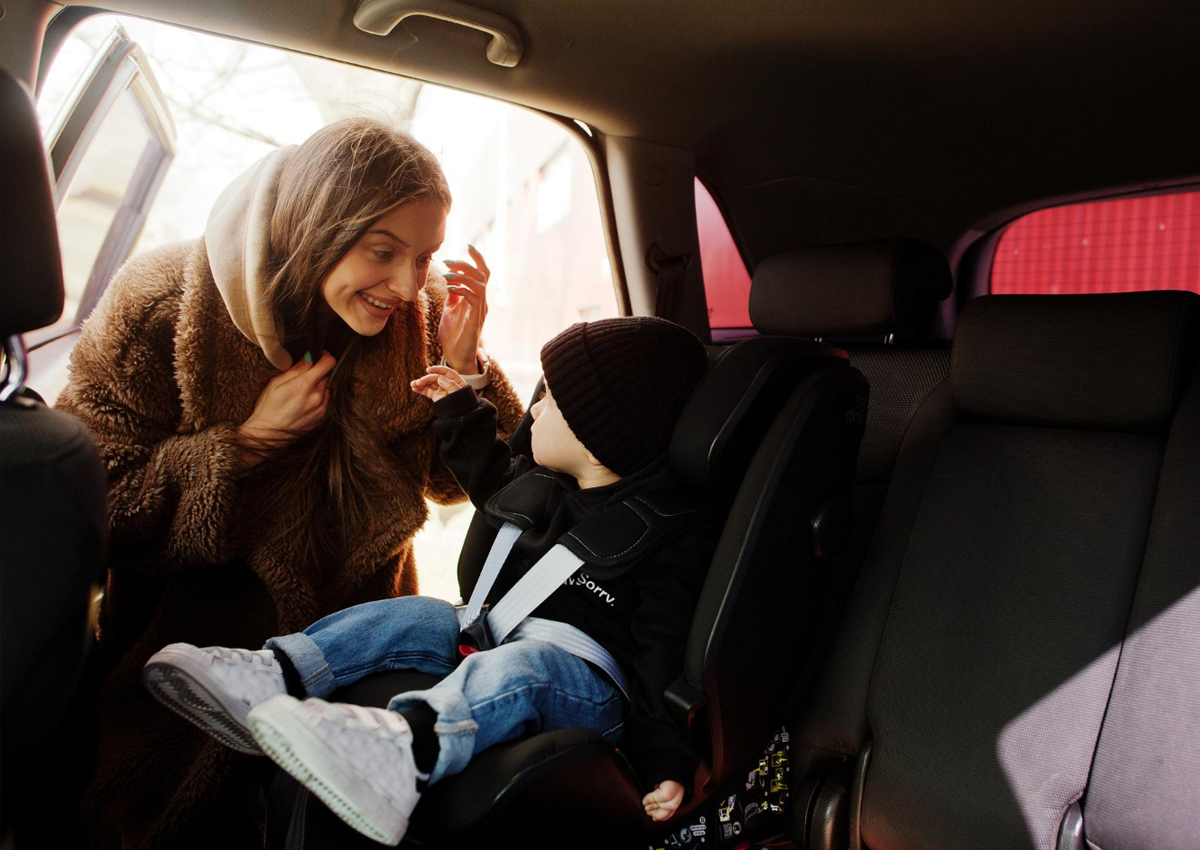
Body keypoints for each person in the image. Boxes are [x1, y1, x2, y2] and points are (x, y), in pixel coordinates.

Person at [55, 118, 524, 850]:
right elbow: (87, 507)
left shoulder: (424, 316)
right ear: (316, 228)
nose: (407, 283)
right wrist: (239, 449)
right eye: (382, 251)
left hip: (358, 675)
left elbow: (472, 485)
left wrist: (463, 375)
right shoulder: (164, 304)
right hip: (186, 674)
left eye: (425, 255)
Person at [142, 316, 716, 845]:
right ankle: (276, 675)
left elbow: (660, 657)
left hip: (580, 687)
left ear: (599, 432)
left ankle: (402, 752)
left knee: (525, 668)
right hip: (491, 631)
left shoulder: (660, 536)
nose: (535, 411)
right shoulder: (544, 481)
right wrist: (461, 408)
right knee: (416, 613)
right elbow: (489, 475)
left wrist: (665, 760)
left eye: (551, 402)